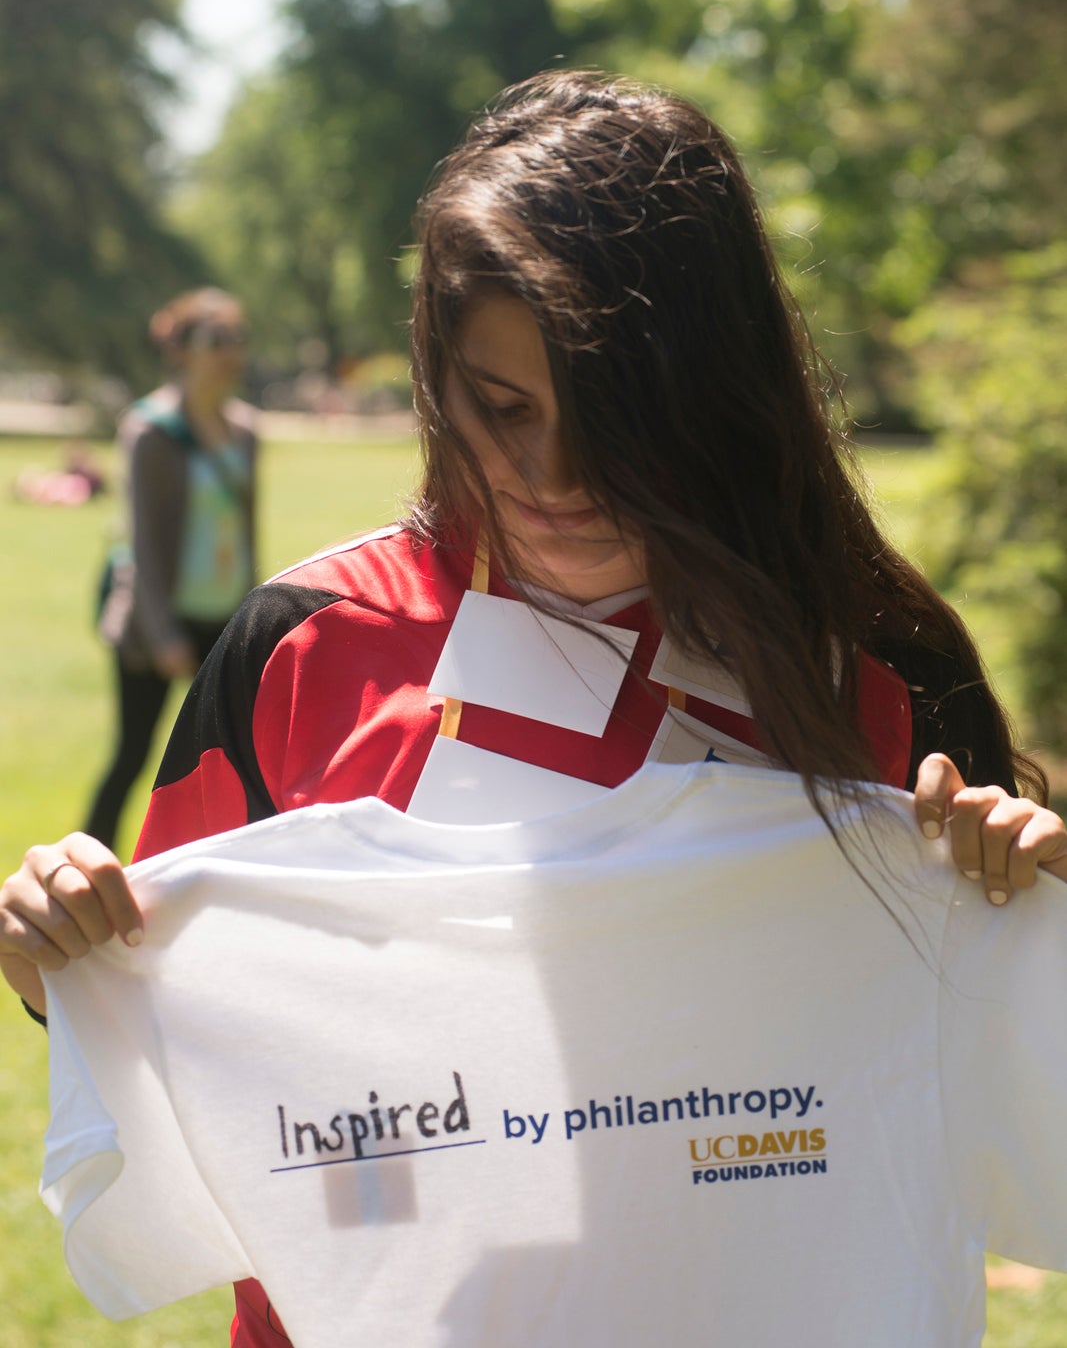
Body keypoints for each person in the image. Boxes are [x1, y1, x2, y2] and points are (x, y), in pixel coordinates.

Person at [2, 70, 1066, 1345]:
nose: (550, 478)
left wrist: (1029, 896)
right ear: (434, 373)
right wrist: (57, 949)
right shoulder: (301, 651)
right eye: (501, 408)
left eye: (615, 421)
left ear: (715, 389)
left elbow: (999, 1083)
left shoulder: (878, 675)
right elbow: (173, 1013)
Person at [83, 287, 258, 850]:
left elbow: (248, 537)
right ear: (180, 350)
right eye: (216, 340)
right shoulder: (151, 431)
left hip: (223, 620)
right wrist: (162, 636)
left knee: (232, 760)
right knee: (134, 754)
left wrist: (253, 622)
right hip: (155, 626)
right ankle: (84, 869)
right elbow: (144, 546)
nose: (230, 351)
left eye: (237, 339)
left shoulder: (248, 432)